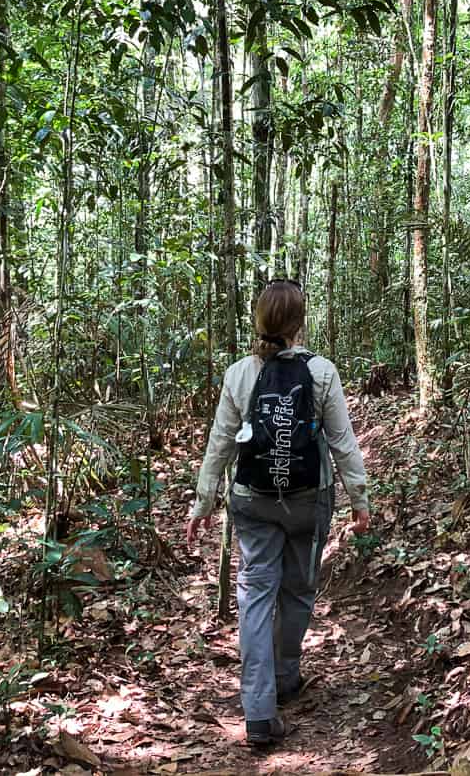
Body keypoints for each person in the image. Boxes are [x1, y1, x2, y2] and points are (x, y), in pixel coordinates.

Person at [185, 279, 370, 746]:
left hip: (252, 501)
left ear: (259, 320)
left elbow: (221, 443)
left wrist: (204, 501)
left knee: (255, 595)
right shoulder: (322, 371)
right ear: (299, 323)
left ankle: (259, 709)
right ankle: (287, 676)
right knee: (298, 590)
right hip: (310, 501)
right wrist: (360, 500)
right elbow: (343, 443)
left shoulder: (238, 374)